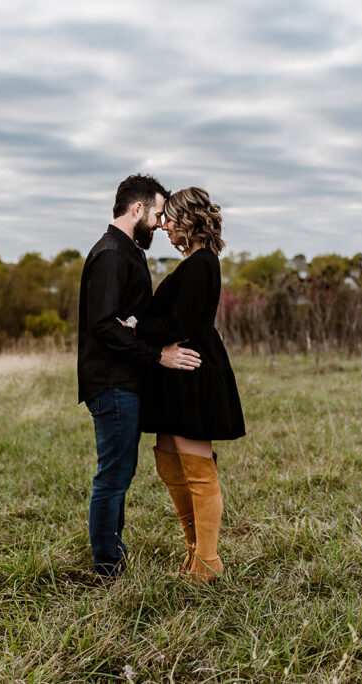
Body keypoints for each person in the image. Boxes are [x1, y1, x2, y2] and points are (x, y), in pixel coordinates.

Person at [77, 173, 202, 578]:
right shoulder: (112, 254)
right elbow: (102, 325)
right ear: (137, 210)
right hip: (112, 383)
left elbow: (127, 318)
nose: (161, 222)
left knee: (120, 472)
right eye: (158, 213)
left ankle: (112, 553)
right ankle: (107, 567)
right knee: (113, 475)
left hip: (124, 380)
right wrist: (157, 355)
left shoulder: (126, 251)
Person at [122, 186, 245, 582]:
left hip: (191, 371)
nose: (165, 226)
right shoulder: (193, 261)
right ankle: (193, 551)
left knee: (197, 467)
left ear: (189, 219)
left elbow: (181, 324)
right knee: (169, 456)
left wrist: (138, 326)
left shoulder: (202, 263)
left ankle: (207, 562)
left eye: (170, 218)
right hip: (172, 374)